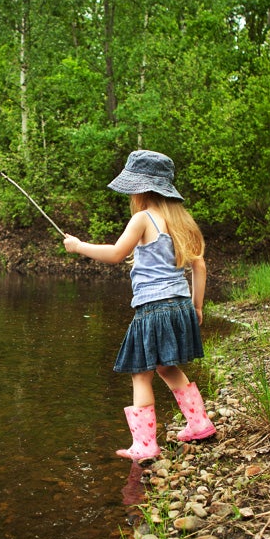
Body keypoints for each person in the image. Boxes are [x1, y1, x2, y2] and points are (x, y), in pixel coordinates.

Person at [63, 150, 216, 461]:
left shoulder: (142, 219)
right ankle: (199, 424)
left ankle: (145, 446)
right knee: (166, 366)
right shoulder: (182, 221)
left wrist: (79, 247)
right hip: (181, 304)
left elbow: (117, 253)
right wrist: (197, 307)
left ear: (142, 189)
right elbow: (199, 267)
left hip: (153, 309)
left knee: (140, 373)